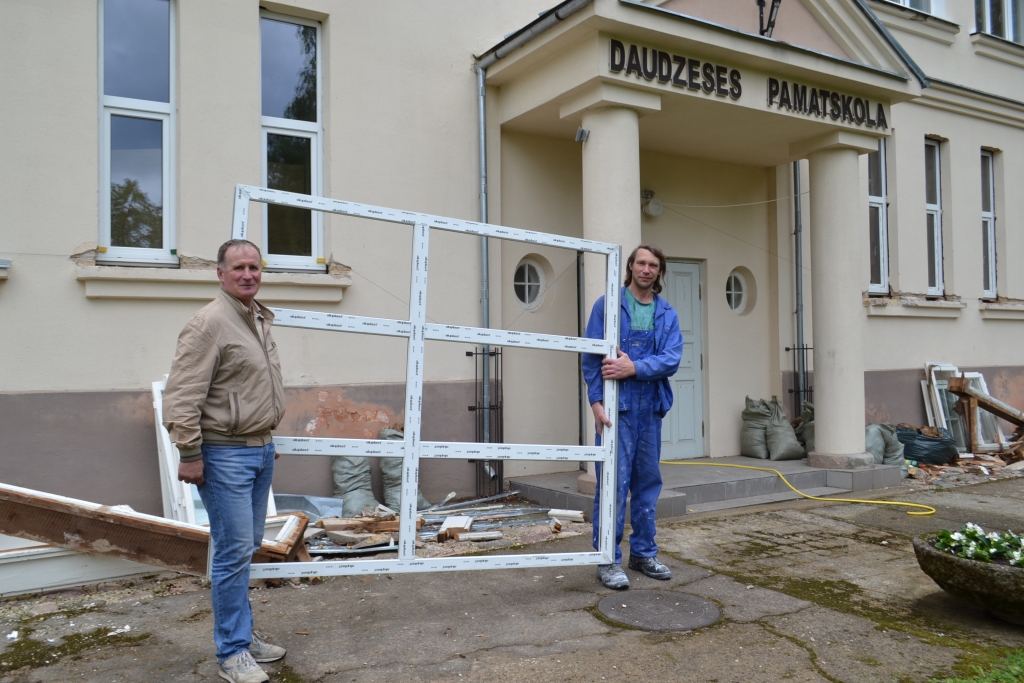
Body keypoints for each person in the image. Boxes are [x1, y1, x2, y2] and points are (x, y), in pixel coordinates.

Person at [163, 239, 287, 683]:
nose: (248, 274)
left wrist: (264, 435)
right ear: (220, 273)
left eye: (254, 267)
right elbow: (181, 396)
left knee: (246, 544)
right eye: (238, 268)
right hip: (223, 455)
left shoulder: (254, 318)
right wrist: (191, 453)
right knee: (232, 552)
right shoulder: (210, 323)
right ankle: (232, 652)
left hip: (258, 449)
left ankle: (243, 634)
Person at [582, 244, 683, 590]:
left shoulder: (667, 313)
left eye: (654, 264)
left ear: (659, 271)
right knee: (612, 484)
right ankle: (607, 559)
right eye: (641, 262)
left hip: (649, 408)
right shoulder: (608, 305)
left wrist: (634, 366)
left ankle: (642, 553)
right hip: (616, 410)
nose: (646, 269)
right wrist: (596, 402)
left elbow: (672, 358)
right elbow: (591, 356)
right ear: (630, 267)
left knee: (647, 484)